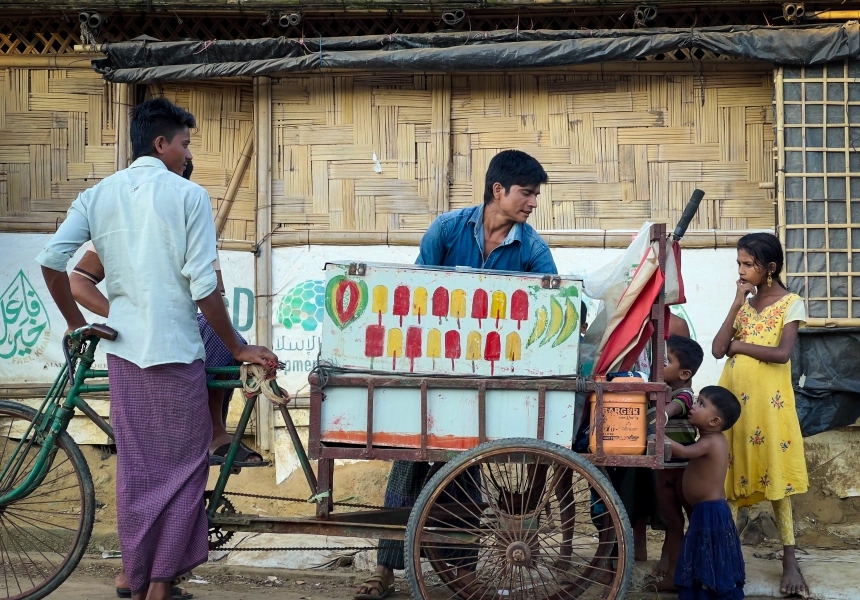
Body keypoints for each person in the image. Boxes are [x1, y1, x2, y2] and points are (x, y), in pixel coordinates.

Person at [36, 97, 277, 600]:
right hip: (175, 352)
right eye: (184, 143)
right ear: (161, 143)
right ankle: (161, 585)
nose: (187, 154)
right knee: (186, 468)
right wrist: (236, 347)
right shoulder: (189, 198)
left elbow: (53, 263)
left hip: (124, 355)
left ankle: (135, 573)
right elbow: (204, 289)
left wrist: (79, 324)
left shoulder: (98, 195)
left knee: (138, 470)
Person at [354, 149, 557, 599]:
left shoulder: (533, 248)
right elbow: (417, 295)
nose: (533, 203)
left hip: (492, 378)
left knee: (466, 468)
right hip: (432, 370)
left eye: (536, 195)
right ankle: (386, 571)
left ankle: (460, 570)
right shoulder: (447, 229)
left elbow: (553, 303)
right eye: (527, 193)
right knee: (407, 466)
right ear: (498, 190)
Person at [712, 232, 808, 596]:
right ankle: (726, 557)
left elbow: (783, 353)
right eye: (738, 263)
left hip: (771, 407)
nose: (741, 270)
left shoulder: (790, 304)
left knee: (777, 479)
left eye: (747, 264)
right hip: (736, 405)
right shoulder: (745, 305)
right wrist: (737, 304)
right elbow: (719, 349)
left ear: (769, 269)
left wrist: (741, 345)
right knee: (732, 476)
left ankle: (789, 559)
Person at [667, 385, 744, 600]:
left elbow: (683, 451)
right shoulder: (709, 439)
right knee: (705, 552)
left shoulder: (711, 441)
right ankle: (703, 592)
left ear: (714, 422)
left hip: (711, 511)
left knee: (710, 554)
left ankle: (708, 594)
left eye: (701, 404)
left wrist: (656, 435)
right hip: (706, 509)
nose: (693, 405)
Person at [650, 335, 704, 590]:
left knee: (694, 522)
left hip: (684, 471)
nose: (659, 364)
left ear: (684, 373)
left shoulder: (684, 394)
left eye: (666, 361)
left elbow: (677, 407)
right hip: (663, 470)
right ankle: (674, 576)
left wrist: (662, 412)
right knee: (673, 524)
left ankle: (696, 572)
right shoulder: (659, 391)